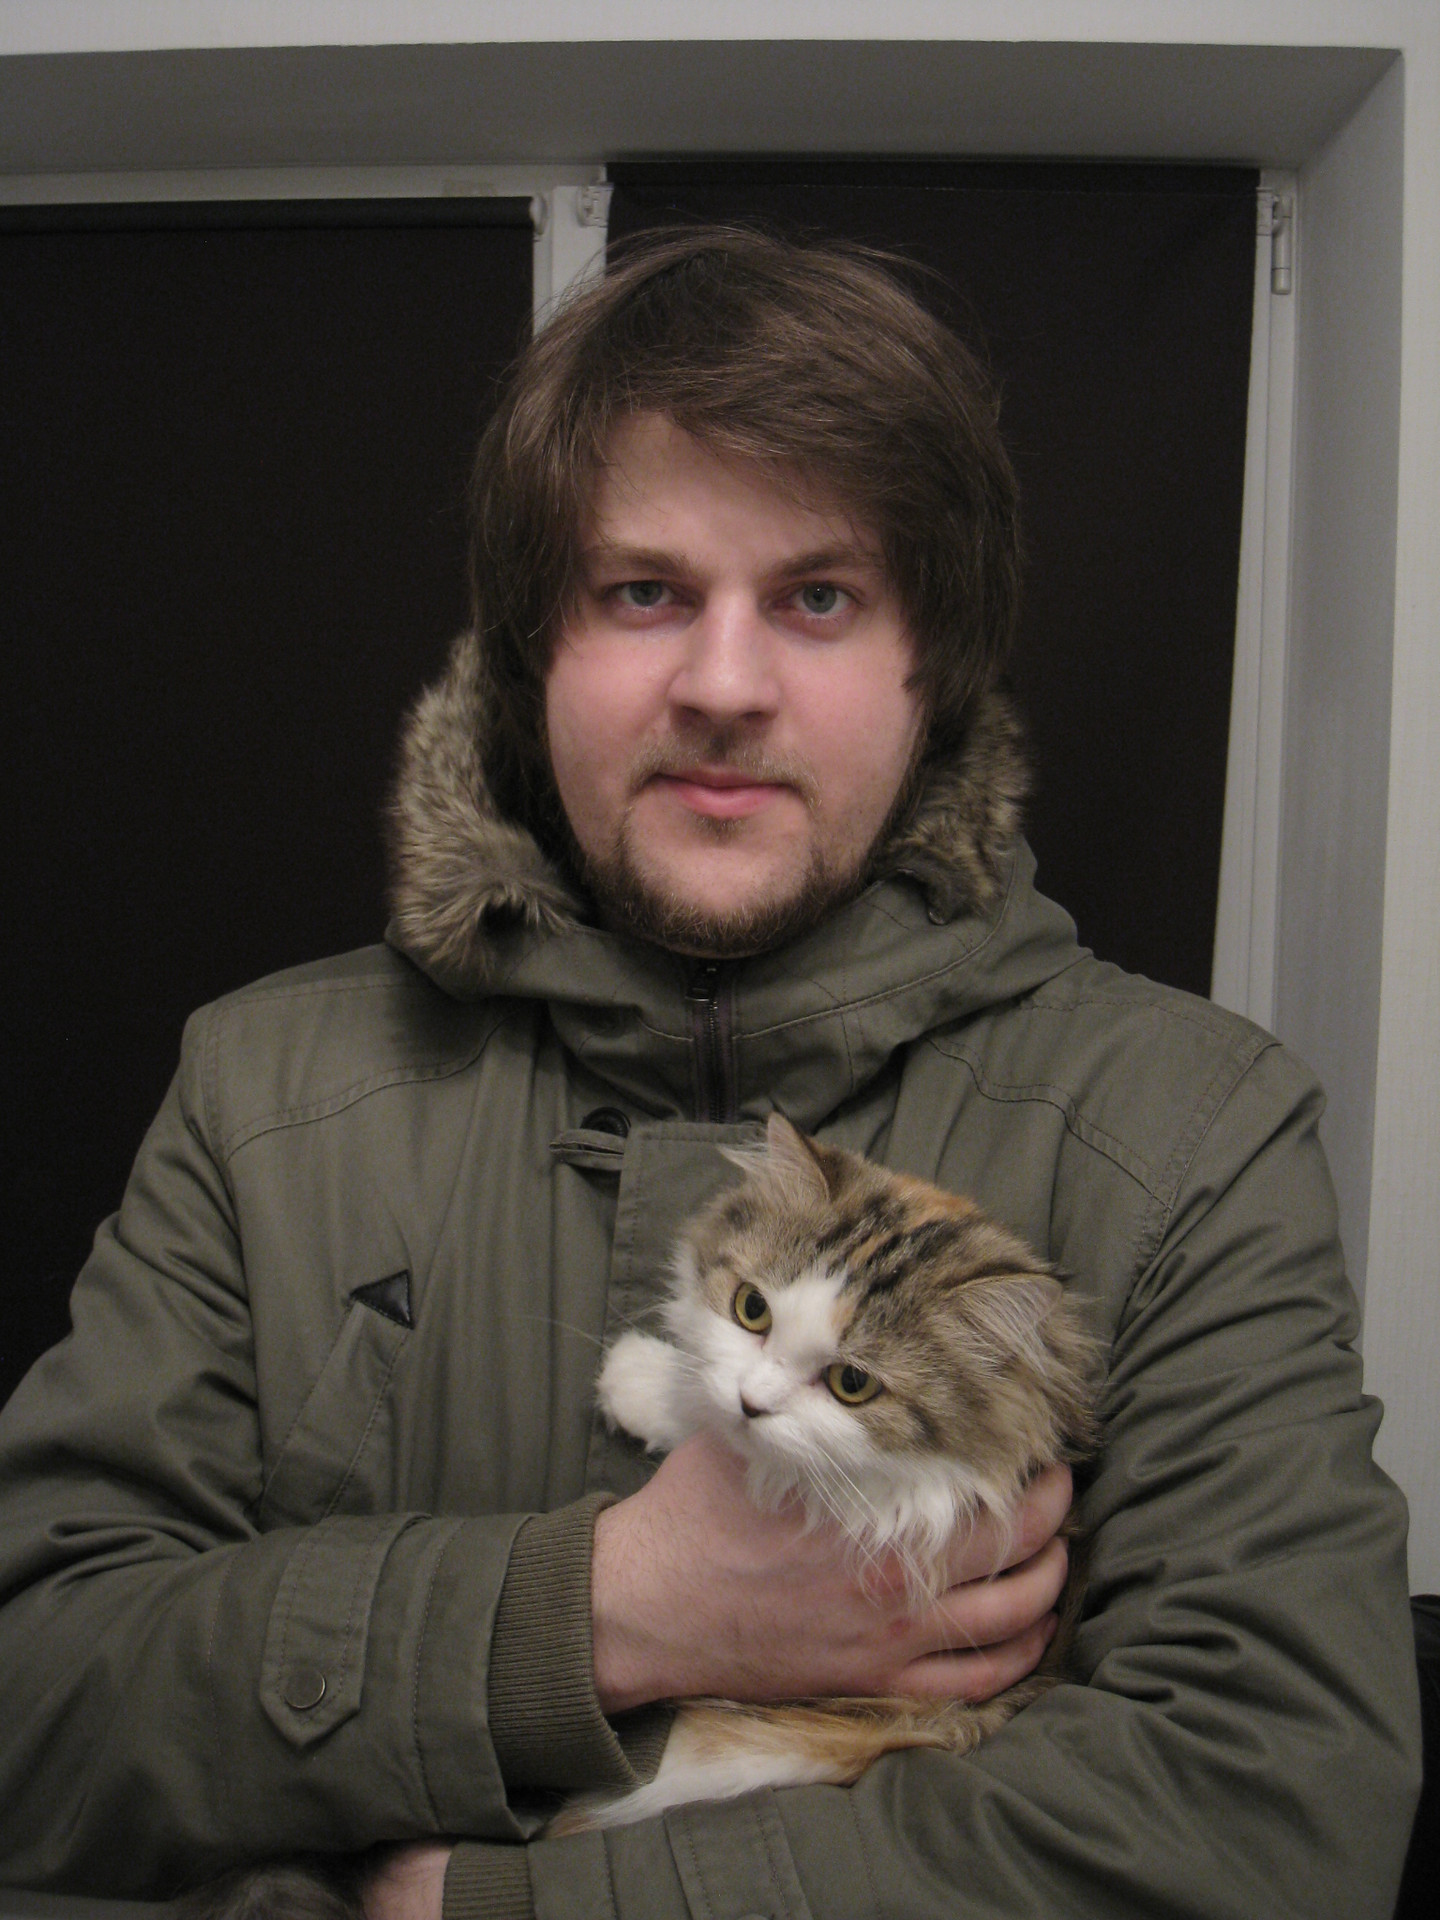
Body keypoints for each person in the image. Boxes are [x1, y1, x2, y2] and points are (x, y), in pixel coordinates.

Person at [0, 228, 1420, 1920]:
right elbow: (34, 1705)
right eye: (644, 593)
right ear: (534, 653)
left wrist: (496, 1913)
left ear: (933, 664)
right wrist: (595, 1607)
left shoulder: (1191, 1132)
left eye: (819, 598)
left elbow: (1274, 1814)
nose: (725, 688)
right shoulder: (263, 1095)